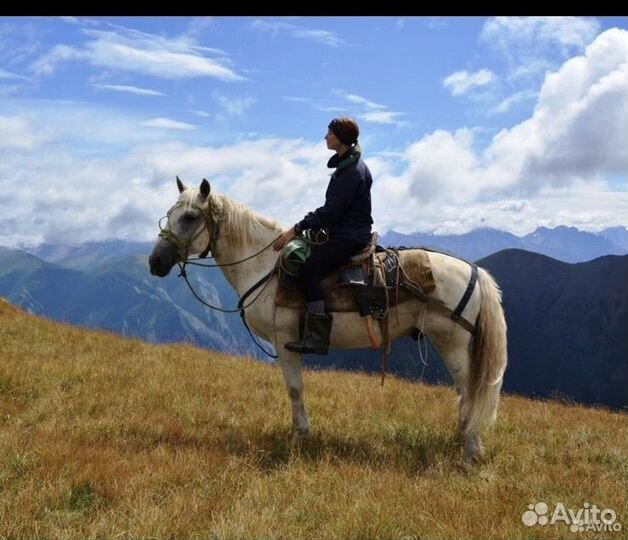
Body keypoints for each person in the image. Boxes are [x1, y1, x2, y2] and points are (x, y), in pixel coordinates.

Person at [273, 117, 373, 354]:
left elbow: (331, 210)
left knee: (309, 268)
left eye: (329, 133)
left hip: (348, 236)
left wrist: (296, 229)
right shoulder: (350, 166)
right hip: (348, 231)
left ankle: (317, 337)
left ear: (341, 138)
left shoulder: (351, 171)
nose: (325, 137)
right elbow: (335, 211)